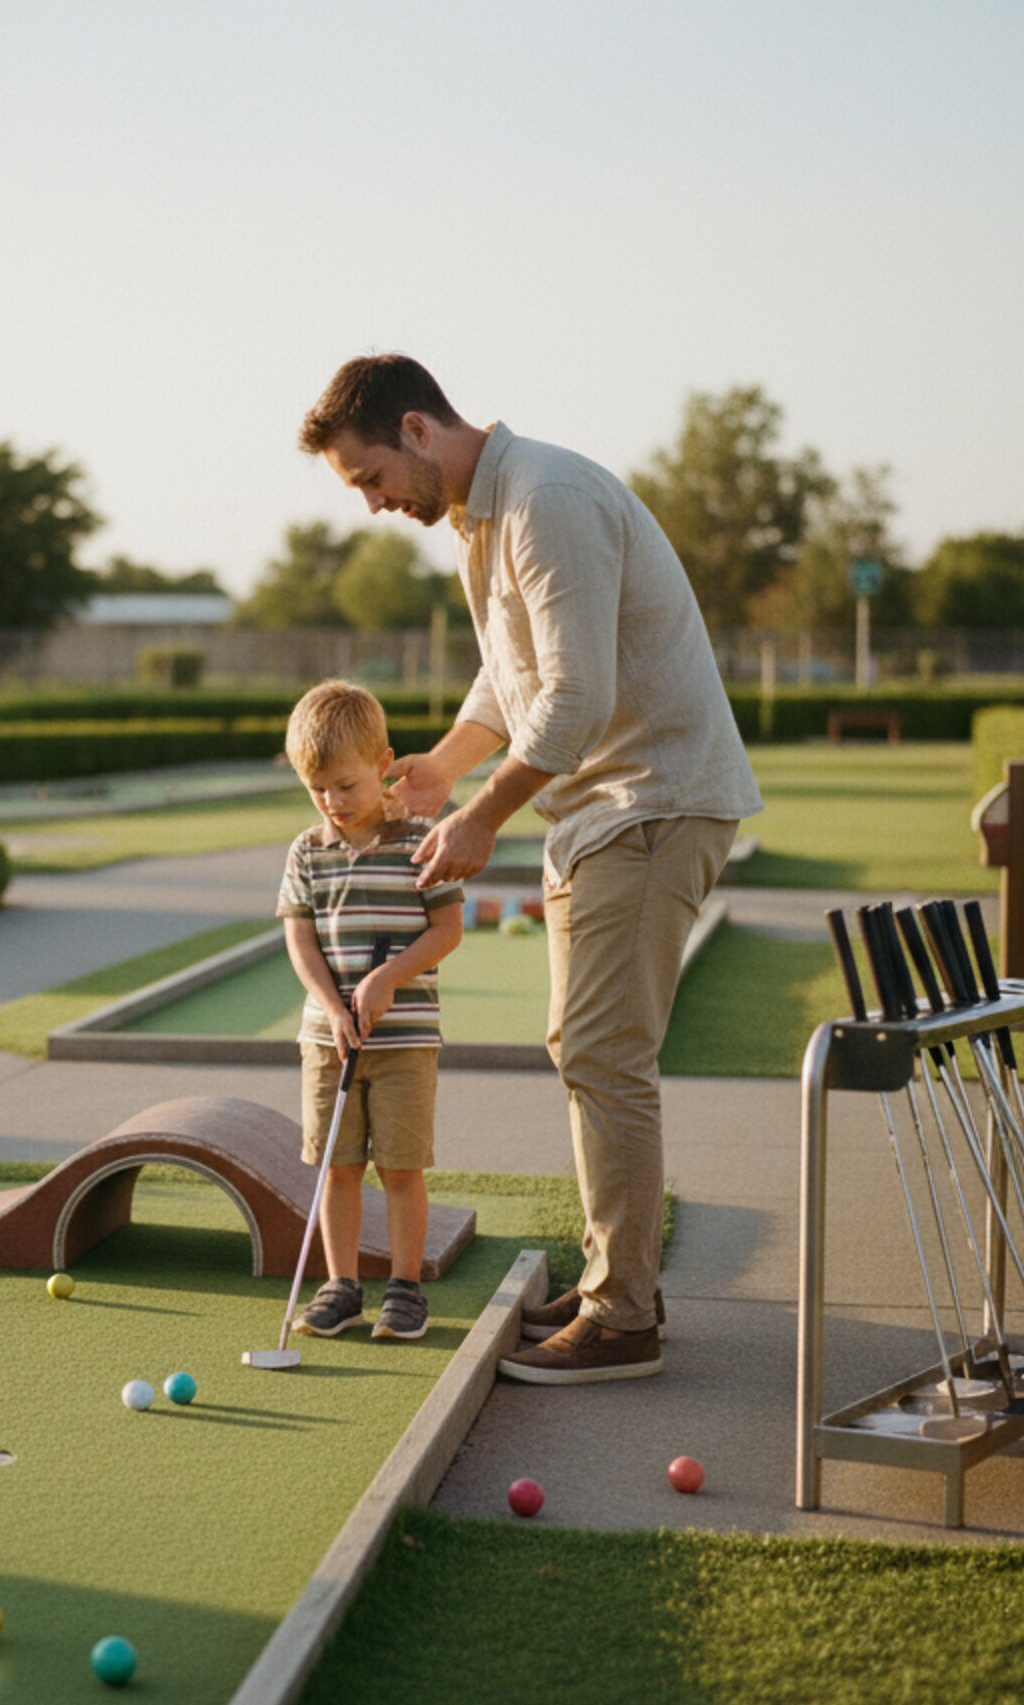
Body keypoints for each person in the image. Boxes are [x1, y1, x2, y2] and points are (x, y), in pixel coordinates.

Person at [299, 354, 762, 1384]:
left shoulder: (543, 500)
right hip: (609, 812)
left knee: (602, 1056)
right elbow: (509, 678)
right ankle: (613, 1280)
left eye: (369, 478)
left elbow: (575, 699)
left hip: (646, 803)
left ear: (415, 429)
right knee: (586, 1048)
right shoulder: (486, 515)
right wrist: (442, 767)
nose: (373, 506)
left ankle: (622, 1314)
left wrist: (479, 816)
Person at [276, 680, 465, 1344]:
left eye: (347, 786)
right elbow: (299, 939)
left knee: (401, 1167)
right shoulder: (308, 851)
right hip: (328, 1041)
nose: (333, 803)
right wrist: (331, 1005)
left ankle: (406, 1289)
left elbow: (447, 931)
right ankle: (342, 1285)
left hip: (406, 1039)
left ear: (383, 764)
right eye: (318, 789)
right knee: (338, 1164)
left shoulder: (422, 840)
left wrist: (388, 977)